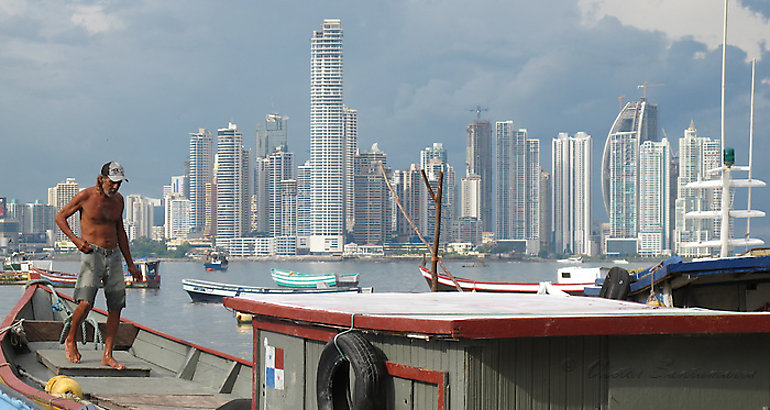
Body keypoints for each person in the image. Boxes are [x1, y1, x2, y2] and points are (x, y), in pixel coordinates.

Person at [55, 161, 142, 370]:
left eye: (119, 184)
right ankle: (71, 339)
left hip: (114, 256)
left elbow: (120, 231)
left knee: (115, 306)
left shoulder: (119, 201)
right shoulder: (86, 196)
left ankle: (108, 354)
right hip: (91, 254)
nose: (115, 187)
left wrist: (131, 264)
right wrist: (76, 241)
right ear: (101, 179)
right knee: (85, 303)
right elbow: (60, 217)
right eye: (112, 183)